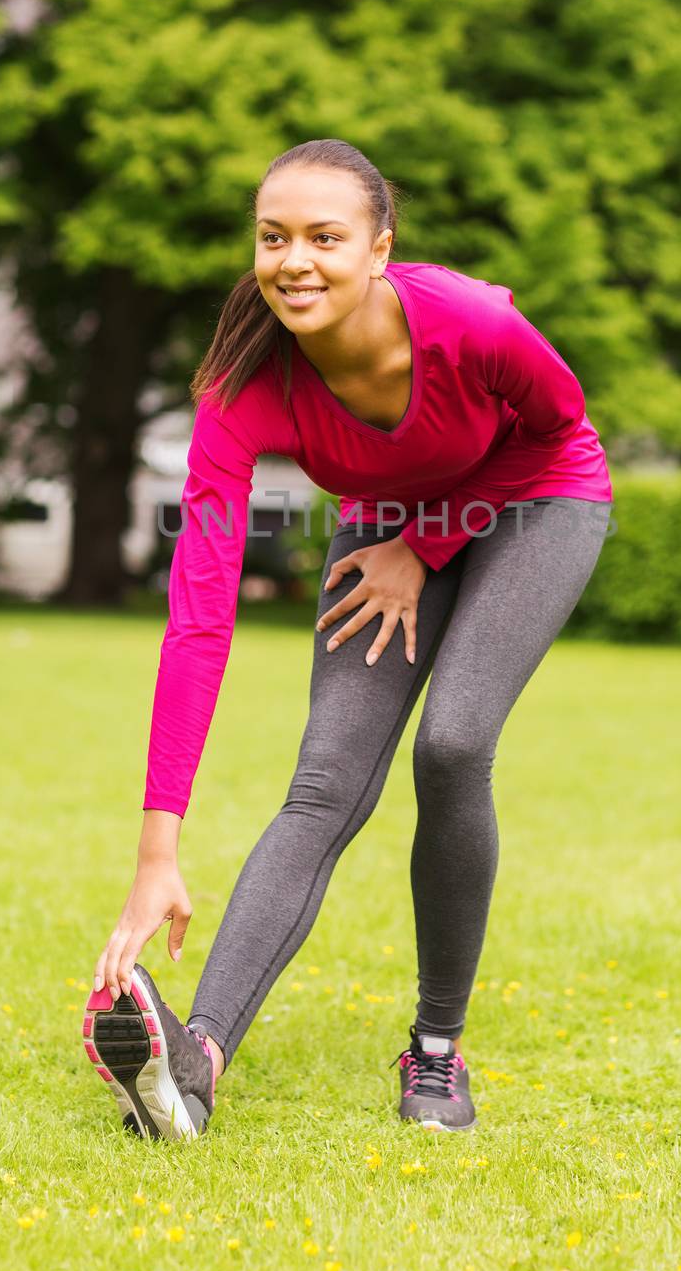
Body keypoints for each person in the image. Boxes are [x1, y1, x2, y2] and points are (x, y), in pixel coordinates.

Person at [82, 138, 614, 1142]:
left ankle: (436, 1051)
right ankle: (189, 1068)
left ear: (379, 248)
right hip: (388, 518)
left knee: (452, 743)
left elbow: (560, 427)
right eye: (272, 237)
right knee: (324, 782)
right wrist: (159, 847)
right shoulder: (242, 388)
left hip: (534, 499)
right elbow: (199, 611)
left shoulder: (468, 321)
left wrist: (424, 543)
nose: (294, 260)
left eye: (325, 237)